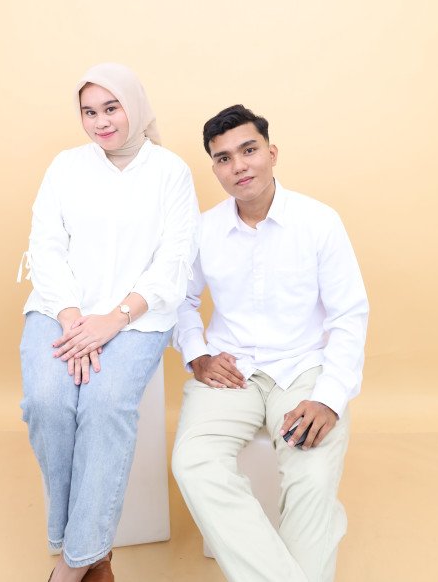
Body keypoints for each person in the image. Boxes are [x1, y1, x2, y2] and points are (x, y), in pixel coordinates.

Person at [172, 104, 368, 582]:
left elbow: (349, 315)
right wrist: (197, 353)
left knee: (312, 475)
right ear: (215, 169)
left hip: (303, 368)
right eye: (223, 158)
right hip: (230, 371)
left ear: (272, 153)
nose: (238, 166)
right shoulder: (203, 229)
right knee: (193, 463)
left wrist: (329, 398)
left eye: (249, 150)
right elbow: (179, 300)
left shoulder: (319, 221)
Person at [19, 62, 198, 582]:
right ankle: (89, 551)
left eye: (111, 108)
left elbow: (175, 260)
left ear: (134, 106)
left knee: (102, 407)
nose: (101, 122)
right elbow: (45, 246)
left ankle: (70, 565)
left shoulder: (170, 171)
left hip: (138, 316)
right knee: (47, 403)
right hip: (59, 309)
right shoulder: (66, 166)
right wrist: (74, 318)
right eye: (89, 112)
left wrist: (113, 319)